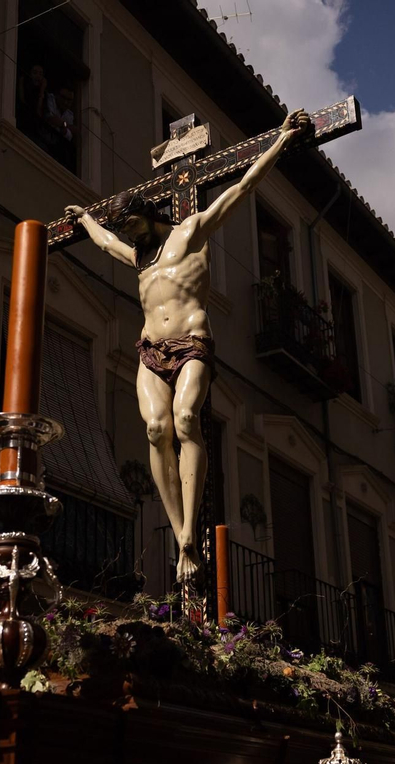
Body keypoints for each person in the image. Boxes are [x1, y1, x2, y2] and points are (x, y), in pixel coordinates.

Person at [66, 107, 313, 584]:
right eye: (126, 233)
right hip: (151, 350)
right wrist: (85, 218)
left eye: (134, 228)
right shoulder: (138, 256)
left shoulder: (188, 233)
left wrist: (280, 139)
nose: (131, 238)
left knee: (185, 420)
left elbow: (241, 190)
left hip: (193, 342)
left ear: (149, 216)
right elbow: (101, 243)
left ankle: (189, 533)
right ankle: (182, 535)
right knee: (156, 429)